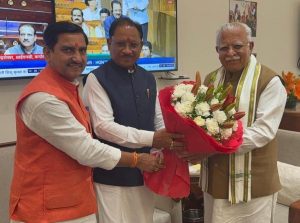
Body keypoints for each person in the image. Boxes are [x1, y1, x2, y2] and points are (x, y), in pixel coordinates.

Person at [9, 21, 165, 223]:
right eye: (67, 50)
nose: (77, 58)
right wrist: (138, 158)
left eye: (82, 50)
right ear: (47, 53)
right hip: (46, 209)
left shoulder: (68, 87)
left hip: (76, 199)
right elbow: (87, 148)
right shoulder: (43, 98)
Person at [180, 22, 287, 223]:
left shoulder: (270, 81)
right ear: (217, 51)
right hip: (216, 181)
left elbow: (263, 132)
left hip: (254, 184)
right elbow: (200, 123)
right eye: (224, 48)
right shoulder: (211, 79)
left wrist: (212, 149)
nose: (231, 53)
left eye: (237, 46)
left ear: (251, 47)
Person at [82, 17, 184, 223]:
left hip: (145, 173)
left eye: (134, 44)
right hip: (111, 176)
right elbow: (103, 127)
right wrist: (153, 139)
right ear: (109, 43)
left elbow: (157, 118)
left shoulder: (147, 77)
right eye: (121, 44)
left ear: (141, 45)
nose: (127, 50)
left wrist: (161, 149)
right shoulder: (96, 78)